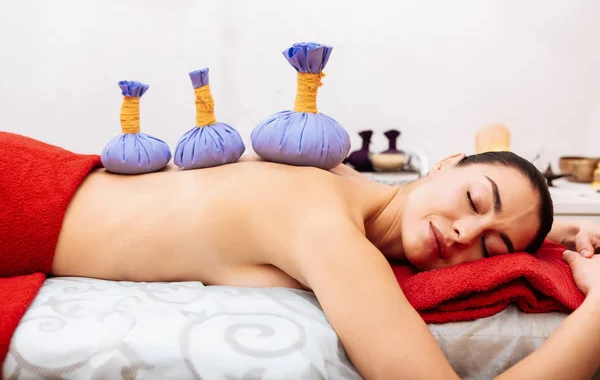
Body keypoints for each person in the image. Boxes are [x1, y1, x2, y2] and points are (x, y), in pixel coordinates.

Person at [3, 131, 600, 379]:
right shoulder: (326, 229)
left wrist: (554, 234)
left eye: (492, 246)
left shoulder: (339, 185)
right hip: (22, 196)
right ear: (443, 165)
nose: (465, 234)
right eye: (473, 198)